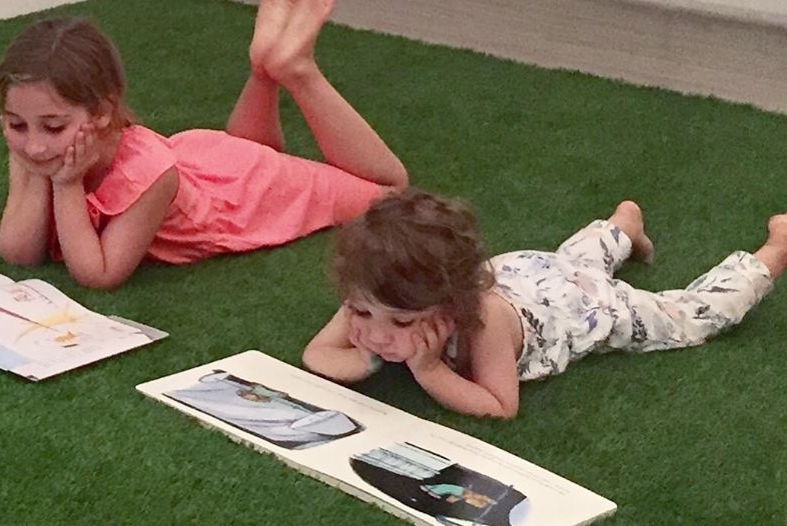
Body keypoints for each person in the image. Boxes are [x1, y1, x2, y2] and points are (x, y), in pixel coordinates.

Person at [0, 0, 407, 289]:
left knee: (389, 191)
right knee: (256, 149)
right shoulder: (37, 149)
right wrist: (36, 170)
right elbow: (18, 252)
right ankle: (264, 68)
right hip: (206, 162)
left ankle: (298, 71)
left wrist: (66, 186)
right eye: (16, 125)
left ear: (102, 113)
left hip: (242, 197)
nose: (33, 143)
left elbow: (99, 274)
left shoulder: (148, 175)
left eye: (53, 126)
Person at [302, 187, 787, 419]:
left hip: (576, 309)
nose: (375, 329)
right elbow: (316, 355)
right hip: (529, 273)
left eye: (401, 322)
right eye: (361, 313)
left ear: (450, 304)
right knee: (571, 260)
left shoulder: (483, 320)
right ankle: (623, 223)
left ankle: (773, 251)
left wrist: (428, 371)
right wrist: (368, 356)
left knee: (684, 318)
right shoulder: (374, 291)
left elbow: (500, 404)